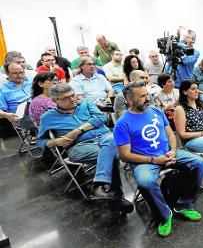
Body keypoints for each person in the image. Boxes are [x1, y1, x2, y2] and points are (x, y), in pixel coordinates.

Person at [114, 81, 203, 237]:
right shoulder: (122, 124)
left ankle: (185, 204)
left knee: (199, 163)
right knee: (145, 182)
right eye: (142, 96)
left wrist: (173, 150)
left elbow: (170, 134)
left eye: (147, 94)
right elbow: (124, 155)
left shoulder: (156, 112)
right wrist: (153, 160)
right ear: (130, 100)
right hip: (145, 160)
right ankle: (164, 215)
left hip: (168, 153)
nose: (147, 97)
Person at [36, 83, 133, 213]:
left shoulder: (84, 104)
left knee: (110, 143)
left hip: (104, 137)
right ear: (55, 101)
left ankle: (105, 190)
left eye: (72, 95)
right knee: (111, 152)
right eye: (66, 98)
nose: (72, 99)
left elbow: (101, 118)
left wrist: (78, 130)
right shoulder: (48, 117)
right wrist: (57, 141)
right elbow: (40, 141)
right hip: (79, 146)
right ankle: (111, 193)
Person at [0, 63, 34, 129]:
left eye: (21, 72)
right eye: (15, 73)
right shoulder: (2, 89)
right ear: (7, 74)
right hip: (23, 118)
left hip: (41, 110)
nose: (19, 75)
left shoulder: (33, 81)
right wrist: (6, 115)